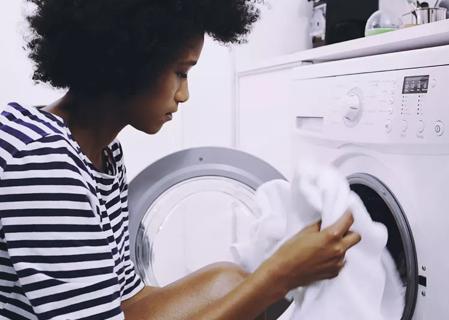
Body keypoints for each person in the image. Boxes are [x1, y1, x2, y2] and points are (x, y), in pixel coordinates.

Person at [0, 0, 361, 319]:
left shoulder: (103, 154)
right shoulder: (43, 163)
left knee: (227, 281)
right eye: (181, 72)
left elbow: (127, 300)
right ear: (130, 61)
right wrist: (280, 274)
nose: (184, 95)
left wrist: (265, 276)